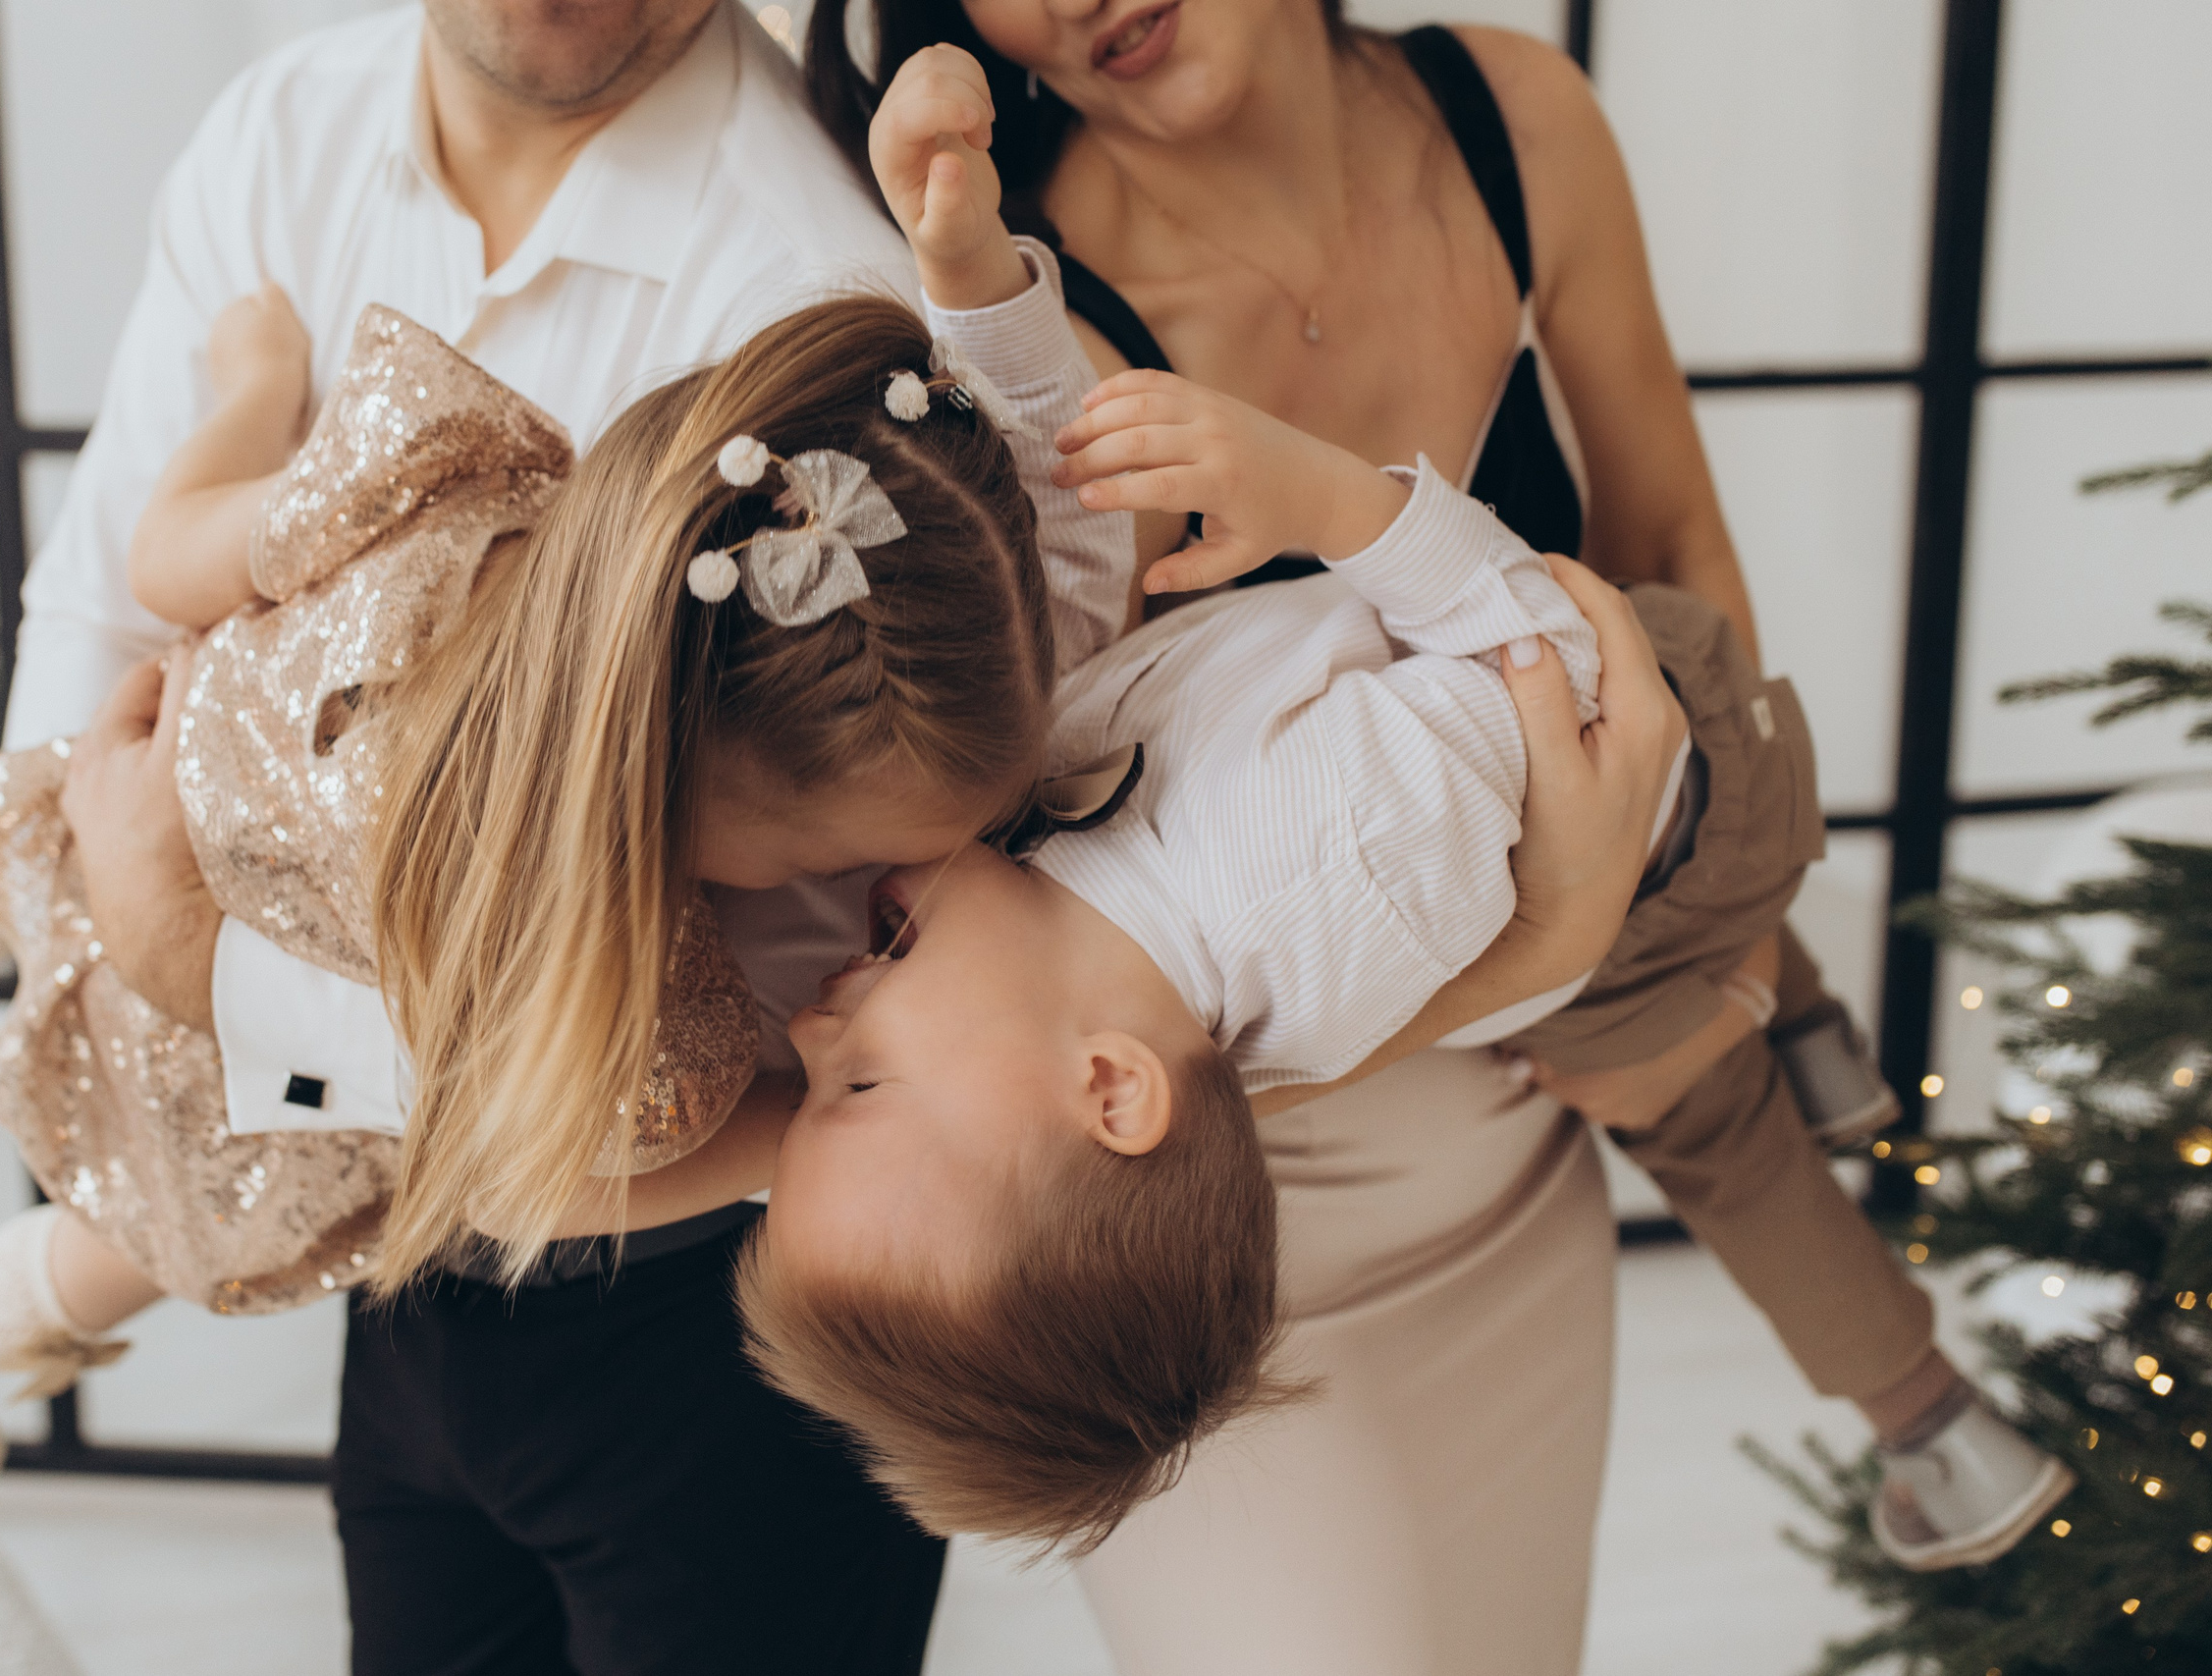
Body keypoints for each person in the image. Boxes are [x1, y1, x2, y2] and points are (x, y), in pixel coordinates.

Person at [0, 3, 1078, 1671]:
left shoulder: (815, 308)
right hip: (410, 1279)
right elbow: (112, 590)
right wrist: (104, 905)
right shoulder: (284, 140)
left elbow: (725, 1053)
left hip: (704, 1309)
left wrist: (196, 959)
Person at [804, 5, 2056, 1611]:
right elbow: (1549, 682)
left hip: (1665, 755)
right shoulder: (1297, 872)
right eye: (856, 1078)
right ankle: (1928, 1414)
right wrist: (1335, 505)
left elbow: (1068, 511)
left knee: (1699, 979)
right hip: (1573, 773)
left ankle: (1789, 1022)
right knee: (1700, 1105)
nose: (817, 1011)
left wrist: (976, 285)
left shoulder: (1507, 115)